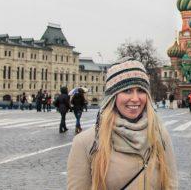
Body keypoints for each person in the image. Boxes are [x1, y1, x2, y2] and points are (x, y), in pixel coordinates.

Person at [67, 58, 178, 190]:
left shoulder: (160, 135)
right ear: (113, 96)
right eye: (127, 90)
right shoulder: (85, 143)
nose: (136, 98)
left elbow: (170, 185)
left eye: (141, 90)